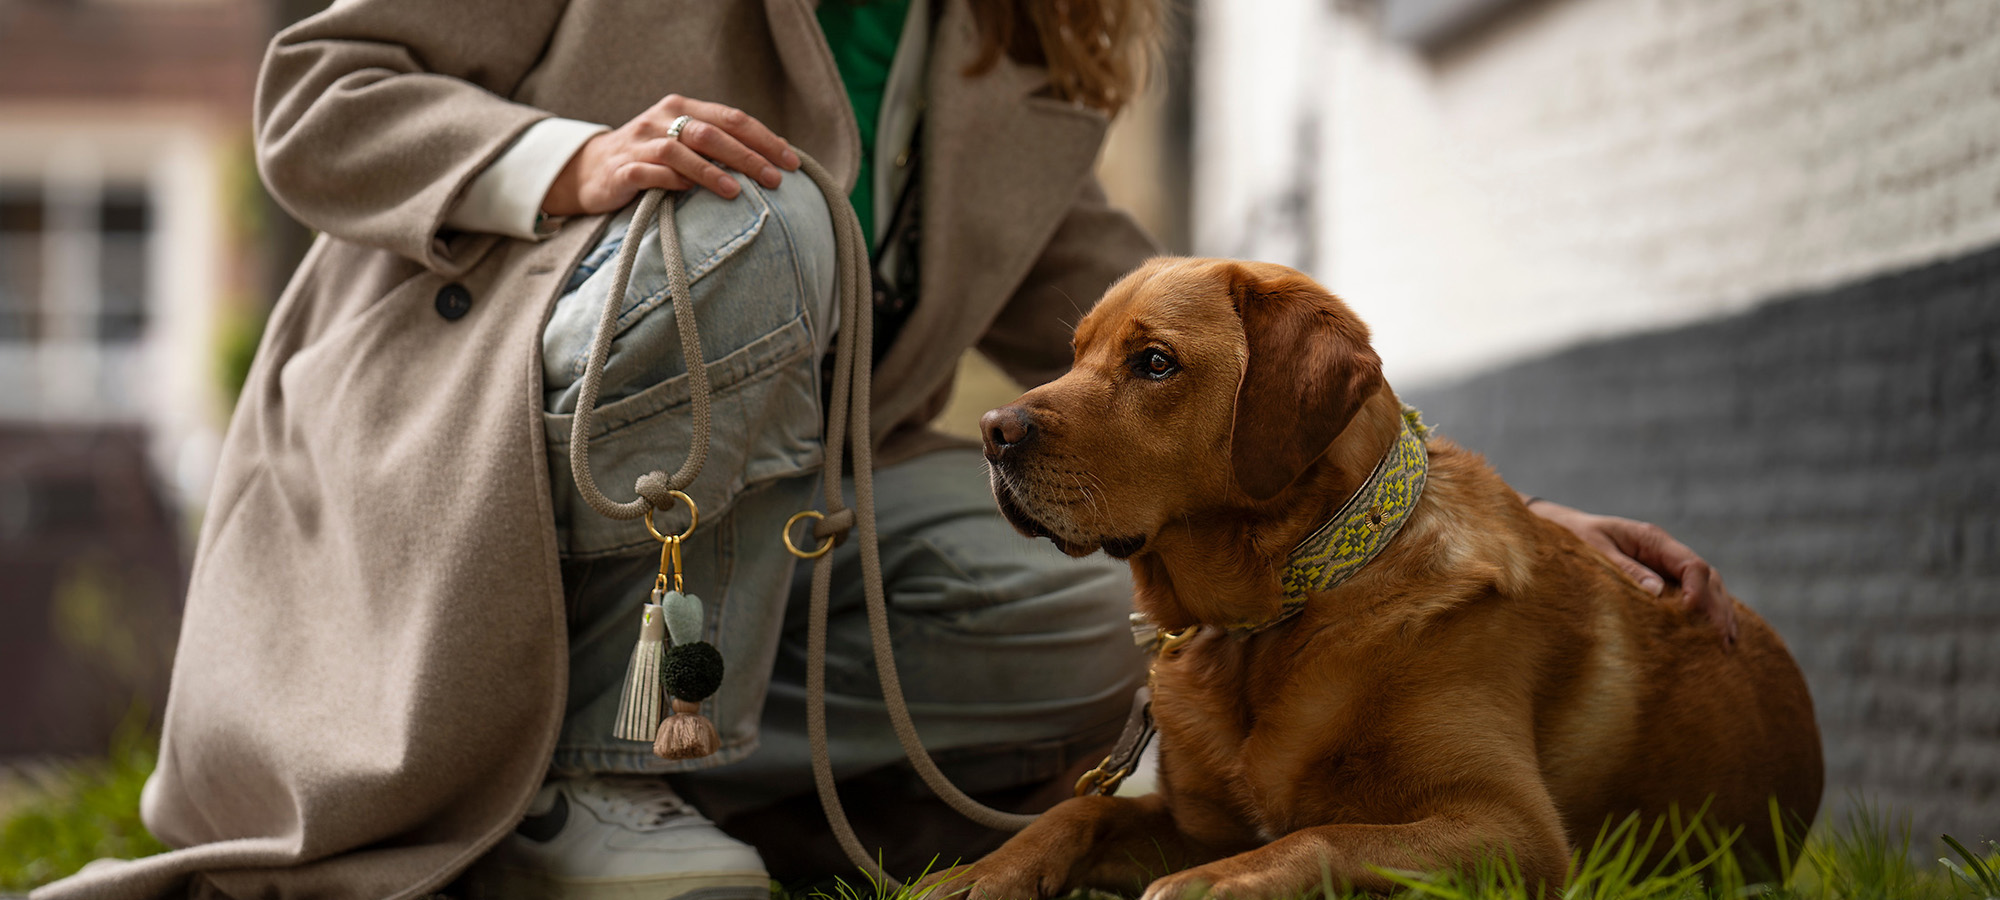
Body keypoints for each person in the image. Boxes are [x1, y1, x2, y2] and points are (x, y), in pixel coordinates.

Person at [31, 2, 1735, 899]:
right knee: (762, 222)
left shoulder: (1027, 32)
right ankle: (621, 783)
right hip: (465, 442)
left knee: (1097, 627)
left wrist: (1445, 512)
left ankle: (599, 774)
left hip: (766, 512)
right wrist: (565, 162)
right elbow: (316, 88)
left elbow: (1156, 335)